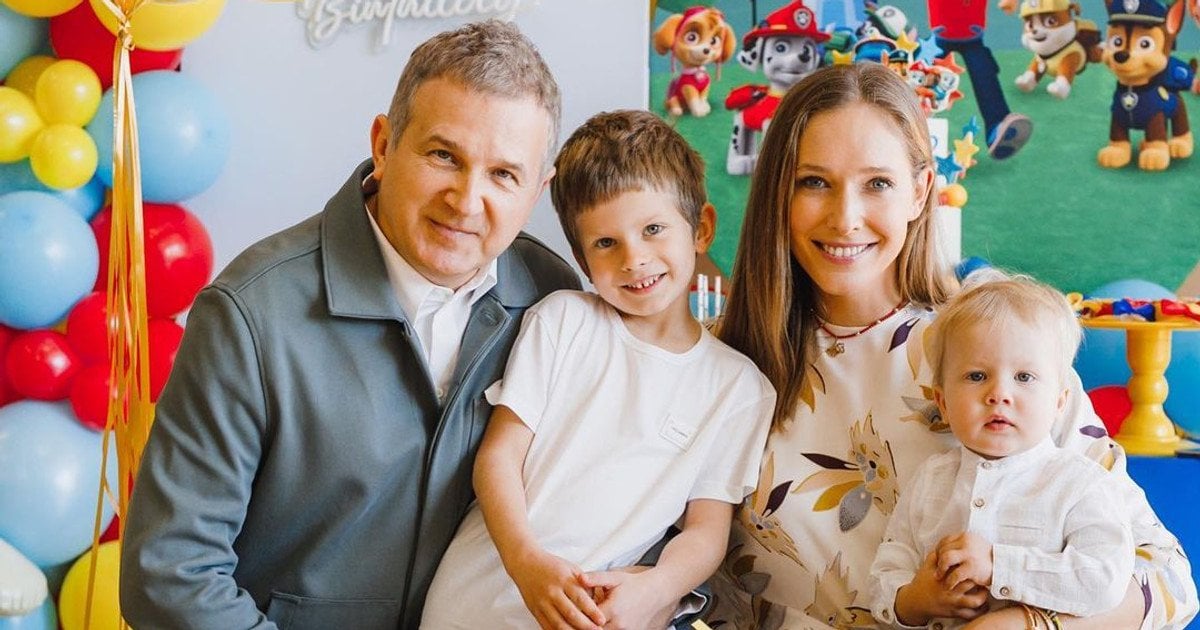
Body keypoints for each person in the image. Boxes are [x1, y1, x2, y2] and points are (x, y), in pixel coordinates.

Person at [119, 20, 580, 630]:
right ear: (384, 145)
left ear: (537, 191)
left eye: (503, 175)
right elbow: (169, 574)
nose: (467, 201)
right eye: (444, 155)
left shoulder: (557, 303)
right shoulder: (251, 314)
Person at [705, 63, 1197, 629]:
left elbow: (1168, 579)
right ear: (778, 191)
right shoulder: (717, 365)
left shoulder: (999, 347)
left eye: (877, 183)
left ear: (920, 193)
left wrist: (1020, 625)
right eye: (814, 182)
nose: (845, 218)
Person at [420, 110, 775, 630]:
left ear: (701, 229)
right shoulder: (564, 320)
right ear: (583, 260)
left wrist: (656, 589)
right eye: (606, 243)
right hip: (476, 603)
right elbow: (498, 457)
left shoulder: (738, 388)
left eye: (653, 229)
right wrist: (526, 563)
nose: (634, 259)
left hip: (599, 616)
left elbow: (705, 531)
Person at [869, 274, 1134, 629]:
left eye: (1024, 377)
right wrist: (915, 599)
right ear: (943, 403)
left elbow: (1105, 578)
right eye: (977, 376)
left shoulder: (1081, 483)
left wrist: (999, 566)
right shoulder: (930, 480)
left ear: (1059, 403)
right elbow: (886, 571)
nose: (999, 394)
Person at [928, 0, 1033, 159]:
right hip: (944, 32)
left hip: (970, 33)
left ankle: (997, 127)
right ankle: (909, 128)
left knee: (984, 71)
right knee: (923, 77)